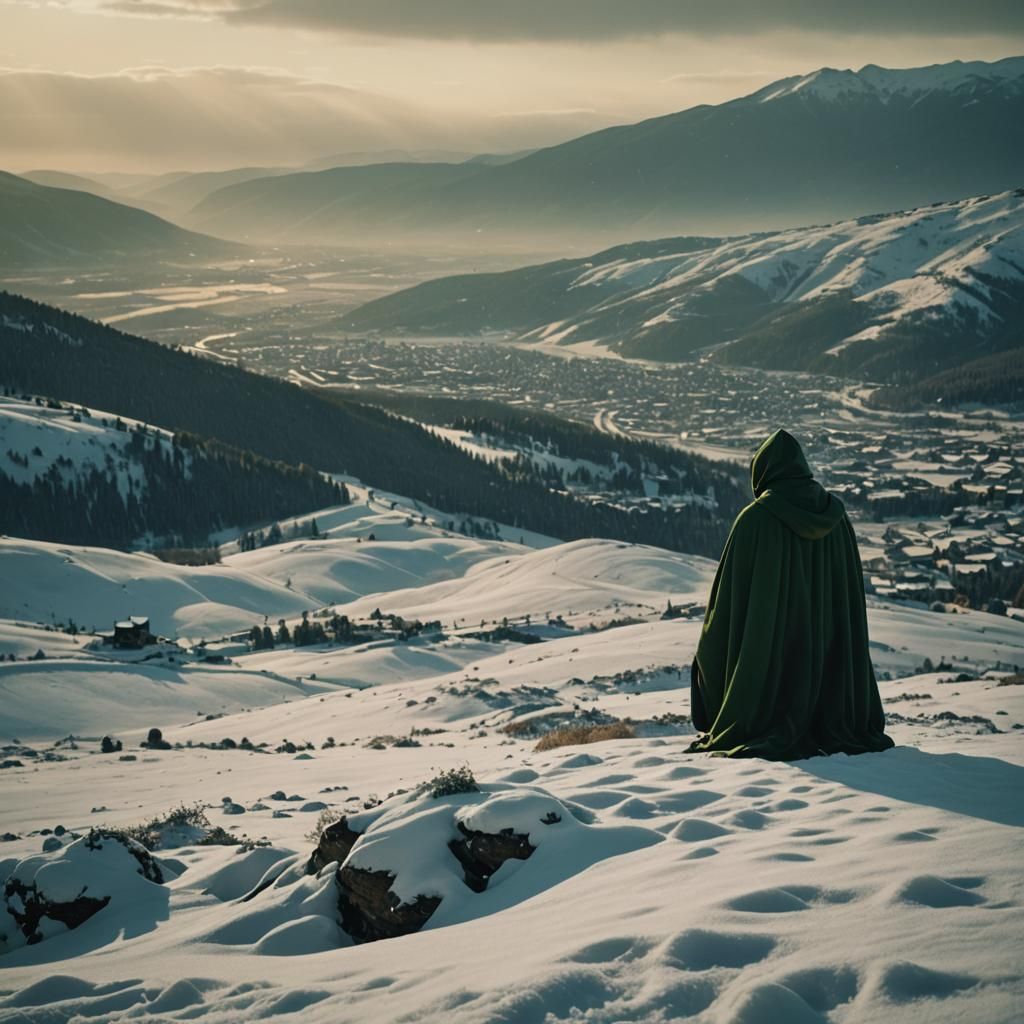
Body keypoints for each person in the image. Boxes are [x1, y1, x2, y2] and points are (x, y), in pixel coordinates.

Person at [688, 429, 893, 760]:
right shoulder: (837, 518)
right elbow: (849, 607)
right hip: (832, 685)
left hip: (768, 687)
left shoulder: (754, 521)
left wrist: (709, 668)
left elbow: (724, 612)